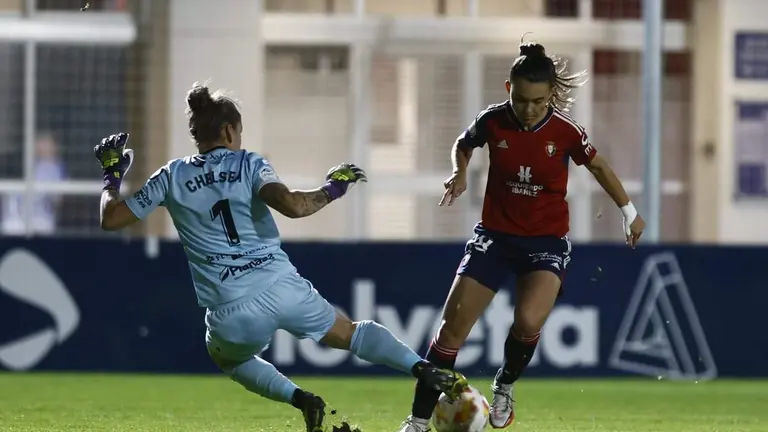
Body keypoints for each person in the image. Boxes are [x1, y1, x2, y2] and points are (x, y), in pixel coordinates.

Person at [94, 82, 467, 432]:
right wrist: (333, 188)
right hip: (281, 285)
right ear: (228, 132)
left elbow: (111, 219)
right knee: (348, 333)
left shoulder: (171, 176)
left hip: (231, 309)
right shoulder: (249, 164)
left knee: (232, 360)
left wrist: (113, 176)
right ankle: (420, 367)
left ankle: (301, 398)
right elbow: (293, 205)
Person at [398, 41, 646, 432]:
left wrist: (629, 211)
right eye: (522, 99)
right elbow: (464, 144)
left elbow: (597, 166)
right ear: (507, 87)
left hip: (545, 242)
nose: (529, 109)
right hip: (495, 238)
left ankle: (505, 384)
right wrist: (460, 171)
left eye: (539, 101)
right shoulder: (493, 120)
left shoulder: (565, 131)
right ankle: (416, 421)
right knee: (450, 331)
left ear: (550, 96)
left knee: (529, 320)